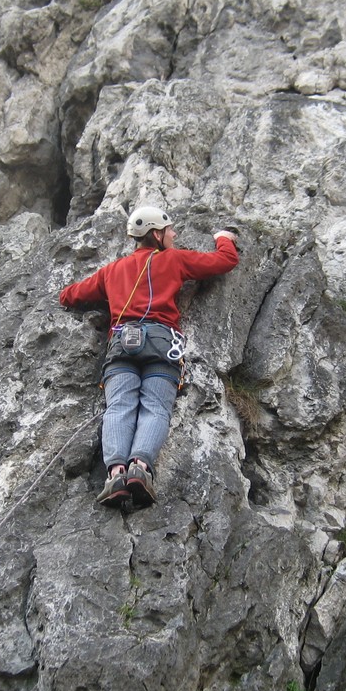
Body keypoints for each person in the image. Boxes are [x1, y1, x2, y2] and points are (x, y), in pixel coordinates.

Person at [60, 206, 239, 509]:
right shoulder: (175, 259)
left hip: (122, 343)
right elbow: (225, 261)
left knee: (119, 407)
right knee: (155, 407)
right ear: (156, 234)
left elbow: (69, 295)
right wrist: (223, 238)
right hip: (161, 342)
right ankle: (140, 469)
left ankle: (115, 475)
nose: (174, 234)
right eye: (169, 230)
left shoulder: (112, 270)